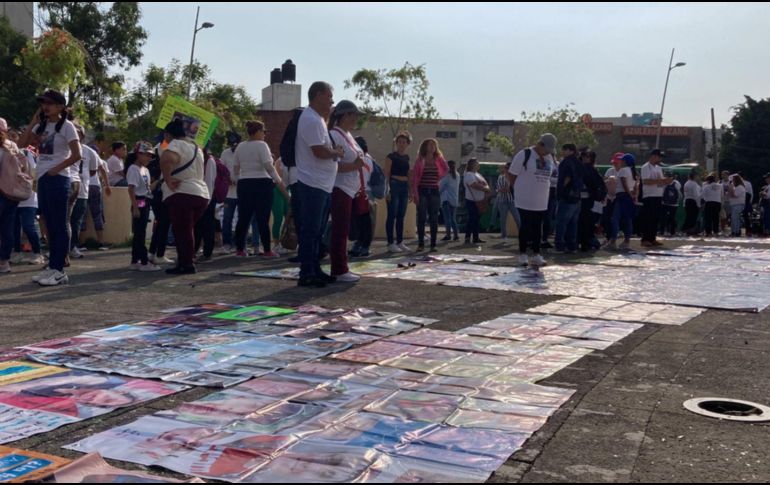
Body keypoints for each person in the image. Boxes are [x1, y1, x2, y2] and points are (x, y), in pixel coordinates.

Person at [18, 91, 82, 286]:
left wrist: (56, 169)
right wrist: (33, 121)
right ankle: (53, 267)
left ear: (60, 106)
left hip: (58, 179)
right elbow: (21, 144)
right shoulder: (42, 126)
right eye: (43, 103)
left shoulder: (67, 126)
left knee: (59, 225)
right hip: (43, 178)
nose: (45, 106)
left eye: (50, 103)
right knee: (49, 225)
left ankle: (59, 270)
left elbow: (77, 154)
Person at [295, 82, 344, 288]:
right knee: (311, 229)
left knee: (318, 231)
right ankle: (306, 272)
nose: (332, 101)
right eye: (329, 96)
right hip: (313, 183)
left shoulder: (318, 120)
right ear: (318, 95)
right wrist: (336, 152)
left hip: (322, 183)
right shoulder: (311, 120)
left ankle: (314, 268)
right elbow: (319, 151)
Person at [159, 118, 210, 275]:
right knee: (187, 230)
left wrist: (168, 179)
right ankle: (185, 261)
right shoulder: (196, 148)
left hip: (182, 192)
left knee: (182, 231)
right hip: (200, 193)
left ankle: (186, 264)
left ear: (168, 135)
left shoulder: (176, 144)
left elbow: (167, 159)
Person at [234, 121, 288, 259]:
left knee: (243, 217)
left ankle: (240, 249)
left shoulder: (240, 146)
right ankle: (267, 250)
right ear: (258, 131)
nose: (265, 134)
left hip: (244, 183)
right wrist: (278, 181)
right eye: (264, 131)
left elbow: (235, 167)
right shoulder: (262, 145)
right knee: (262, 218)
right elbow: (268, 166)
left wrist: (238, 179)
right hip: (262, 183)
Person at [328, 100, 367, 281]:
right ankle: (339, 269)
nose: (356, 119)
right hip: (340, 187)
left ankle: (341, 267)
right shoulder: (334, 135)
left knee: (345, 228)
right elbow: (333, 165)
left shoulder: (348, 135)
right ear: (345, 116)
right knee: (340, 228)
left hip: (351, 189)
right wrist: (354, 166)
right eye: (354, 115)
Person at [508, 133, 557, 267]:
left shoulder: (549, 158)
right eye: (546, 149)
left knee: (537, 227)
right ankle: (523, 254)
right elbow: (511, 175)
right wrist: (518, 189)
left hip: (541, 198)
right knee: (525, 225)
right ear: (540, 144)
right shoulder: (525, 154)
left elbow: (550, 175)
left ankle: (536, 254)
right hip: (525, 198)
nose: (547, 153)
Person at [126, 142, 160, 271]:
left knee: (140, 232)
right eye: (147, 155)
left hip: (145, 200)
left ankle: (135, 260)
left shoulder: (145, 170)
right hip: (139, 201)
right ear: (138, 154)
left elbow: (147, 188)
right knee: (140, 233)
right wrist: (135, 207)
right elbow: (131, 189)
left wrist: (159, 181)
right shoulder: (133, 169)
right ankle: (144, 262)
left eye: (151, 156)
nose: (149, 158)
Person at [412, 138, 448, 252]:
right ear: (425, 146)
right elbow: (414, 179)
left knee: (434, 218)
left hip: (434, 191)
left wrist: (440, 159)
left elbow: (446, 169)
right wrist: (415, 194)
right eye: (430, 144)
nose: (432, 146)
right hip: (422, 191)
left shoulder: (438, 159)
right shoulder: (420, 160)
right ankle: (421, 244)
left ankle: (433, 244)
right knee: (422, 218)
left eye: (434, 145)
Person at [69, 126, 99, 260]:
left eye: (78, 132)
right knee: (62, 219)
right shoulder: (63, 148)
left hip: (81, 191)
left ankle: (72, 246)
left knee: (76, 220)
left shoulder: (89, 152)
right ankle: (59, 248)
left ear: (82, 135)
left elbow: (93, 170)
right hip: (66, 187)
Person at [12, 144, 45, 265]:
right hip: (12, 196)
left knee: (28, 226)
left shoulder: (27, 153)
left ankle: (38, 253)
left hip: (28, 197)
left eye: (14, 136)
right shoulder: (5, 153)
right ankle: (17, 252)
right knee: (14, 228)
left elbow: (33, 174)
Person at [0, 118, 23, 274]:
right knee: (7, 227)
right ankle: (4, 262)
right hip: (10, 192)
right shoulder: (13, 146)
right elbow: (23, 167)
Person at [148, 128, 174, 264]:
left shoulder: (158, 149)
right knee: (164, 223)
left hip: (155, 191)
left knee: (160, 223)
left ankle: (153, 252)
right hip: (162, 191)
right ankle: (159, 254)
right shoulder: (165, 148)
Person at [384, 132, 412, 253]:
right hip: (394, 185)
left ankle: (400, 242)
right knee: (392, 214)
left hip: (404, 187)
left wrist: (411, 190)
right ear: (396, 143)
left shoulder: (407, 158)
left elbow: (409, 175)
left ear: (407, 144)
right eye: (399, 142)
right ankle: (390, 243)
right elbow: (387, 173)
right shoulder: (391, 156)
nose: (401, 144)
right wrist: (387, 190)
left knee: (401, 215)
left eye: (404, 142)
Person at [554, 143, 584, 253]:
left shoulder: (566, 162)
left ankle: (559, 245)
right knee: (573, 223)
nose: (562, 151)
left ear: (570, 150)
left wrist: (561, 189)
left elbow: (566, 178)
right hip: (577, 196)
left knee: (561, 222)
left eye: (564, 149)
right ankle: (572, 246)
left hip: (567, 196)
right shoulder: (579, 162)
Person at [640, 149, 672, 247]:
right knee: (648, 218)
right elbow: (645, 181)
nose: (660, 159)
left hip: (658, 195)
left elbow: (661, 181)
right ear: (653, 156)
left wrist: (667, 181)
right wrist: (661, 181)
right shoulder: (645, 167)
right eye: (659, 157)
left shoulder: (659, 168)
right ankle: (645, 239)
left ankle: (652, 238)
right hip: (649, 195)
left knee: (655, 218)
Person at [350, 136, 376, 258]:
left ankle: (361, 245)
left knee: (360, 222)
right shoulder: (369, 159)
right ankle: (363, 246)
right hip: (366, 192)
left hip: (358, 192)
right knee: (365, 222)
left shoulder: (359, 159)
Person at [607, 153, 638, 250]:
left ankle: (613, 241)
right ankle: (627, 241)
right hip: (629, 197)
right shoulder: (633, 172)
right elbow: (635, 185)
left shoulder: (623, 170)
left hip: (622, 196)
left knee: (615, 218)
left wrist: (628, 193)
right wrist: (633, 195)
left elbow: (624, 183)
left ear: (625, 162)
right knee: (628, 219)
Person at [193, 148, 219, 263]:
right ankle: (193, 251)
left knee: (207, 226)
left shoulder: (209, 161)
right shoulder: (196, 158)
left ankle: (207, 253)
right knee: (196, 226)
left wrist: (207, 201)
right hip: (198, 196)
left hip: (207, 198)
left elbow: (210, 182)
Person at [84, 144, 111, 252]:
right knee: (97, 214)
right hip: (95, 185)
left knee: (82, 215)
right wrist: (107, 185)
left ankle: (80, 243)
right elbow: (102, 170)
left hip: (83, 186)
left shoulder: (81, 152)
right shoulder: (94, 155)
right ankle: (100, 242)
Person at [579, 151, 606, 252]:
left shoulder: (588, 169)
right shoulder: (588, 169)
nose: (585, 158)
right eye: (583, 156)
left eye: (587, 156)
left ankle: (585, 242)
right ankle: (586, 242)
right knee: (585, 222)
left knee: (586, 222)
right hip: (587, 200)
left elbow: (597, 184)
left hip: (588, 200)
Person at [219, 132, 240, 254]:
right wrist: (227, 180)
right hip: (228, 193)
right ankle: (227, 243)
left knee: (242, 219)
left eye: (235, 145)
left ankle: (239, 244)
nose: (233, 147)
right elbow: (221, 170)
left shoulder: (244, 152)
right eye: (232, 145)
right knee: (227, 219)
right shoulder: (225, 153)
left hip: (242, 192)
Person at [463, 158, 490, 246]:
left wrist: (487, 189)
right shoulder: (469, 174)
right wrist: (485, 189)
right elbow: (473, 185)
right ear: (472, 164)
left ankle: (476, 237)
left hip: (480, 201)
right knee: (472, 219)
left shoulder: (478, 174)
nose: (478, 164)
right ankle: (467, 237)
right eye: (476, 163)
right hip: (471, 200)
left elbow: (484, 183)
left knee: (476, 219)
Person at [495, 162, 520, 243]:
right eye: (506, 168)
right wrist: (507, 189)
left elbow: (514, 189)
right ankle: (504, 236)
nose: (506, 169)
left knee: (517, 218)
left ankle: (522, 234)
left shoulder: (514, 178)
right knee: (503, 219)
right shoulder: (500, 177)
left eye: (508, 168)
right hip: (502, 200)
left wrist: (507, 189)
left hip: (512, 201)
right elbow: (499, 189)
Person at [440, 160, 461, 242]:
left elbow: (440, 187)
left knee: (447, 218)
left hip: (446, 199)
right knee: (453, 218)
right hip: (454, 199)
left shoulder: (447, 176)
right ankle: (456, 235)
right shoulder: (457, 175)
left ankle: (448, 235)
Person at [660, 172, 682, 237]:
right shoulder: (664, 183)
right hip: (666, 203)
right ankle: (663, 231)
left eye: (668, 177)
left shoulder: (676, 183)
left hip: (673, 204)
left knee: (671, 218)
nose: (667, 178)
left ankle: (671, 232)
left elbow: (678, 193)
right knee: (664, 218)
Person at [682, 171, 702, 235]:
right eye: (697, 176)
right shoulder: (694, 184)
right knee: (693, 216)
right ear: (694, 177)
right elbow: (696, 195)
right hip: (693, 201)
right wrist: (698, 204)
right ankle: (690, 229)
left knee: (689, 216)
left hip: (687, 200)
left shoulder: (686, 183)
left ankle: (687, 229)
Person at [741, 172, 754, 237]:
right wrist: (750, 202)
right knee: (746, 217)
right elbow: (751, 193)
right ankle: (748, 230)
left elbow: (750, 193)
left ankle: (740, 230)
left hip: (742, 201)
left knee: (742, 216)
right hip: (746, 201)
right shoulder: (748, 183)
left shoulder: (737, 184)